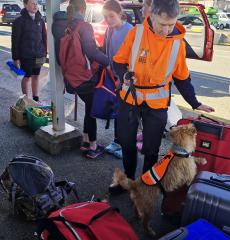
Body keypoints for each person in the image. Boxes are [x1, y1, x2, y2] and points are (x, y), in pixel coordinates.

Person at [109, 0, 215, 194]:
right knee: (127, 143)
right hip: (130, 98)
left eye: (171, 25)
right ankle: (128, 179)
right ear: (152, 15)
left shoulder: (178, 43)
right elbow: (118, 62)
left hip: (157, 103)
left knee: (151, 149)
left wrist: (195, 102)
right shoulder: (136, 33)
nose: (166, 30)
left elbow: (182, 77)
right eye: (161, 24)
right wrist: (123, 74)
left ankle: (145, 185)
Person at [53, 0, 109, 159]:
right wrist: (108, 62)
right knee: (92, 109)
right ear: (83, 9)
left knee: (89, 107)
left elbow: (59, 57)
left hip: (70, 77)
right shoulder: (84, 26)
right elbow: (91, 52)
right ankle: (92, 146)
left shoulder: (63, 26)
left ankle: (85, 141)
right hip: (84, 77)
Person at [101, 0, 133, 159]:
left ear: (120, 14)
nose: (108, 20)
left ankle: (125, 146)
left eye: (111, 16)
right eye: (106, 17)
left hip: (127, 79)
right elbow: (108, 51)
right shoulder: (110, 29)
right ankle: (116, 141)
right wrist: (108, 69)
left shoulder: (130, 31)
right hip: (113, 77)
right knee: (118, 111)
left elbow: (133, 59)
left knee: (126, 114)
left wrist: (124, 78)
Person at [11, 0, 47, 102]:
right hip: (26, 56)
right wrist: (16, 57)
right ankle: (25, 100)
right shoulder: (19, 21)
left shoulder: (40, 20)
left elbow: (44, 38)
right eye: (32, 3)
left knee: (36, 76)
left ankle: (36, 99)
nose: (35, 5)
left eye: (36, 3)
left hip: (39, 55)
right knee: (27, 77)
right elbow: (15, 40)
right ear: (25, 5)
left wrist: (44, 52)